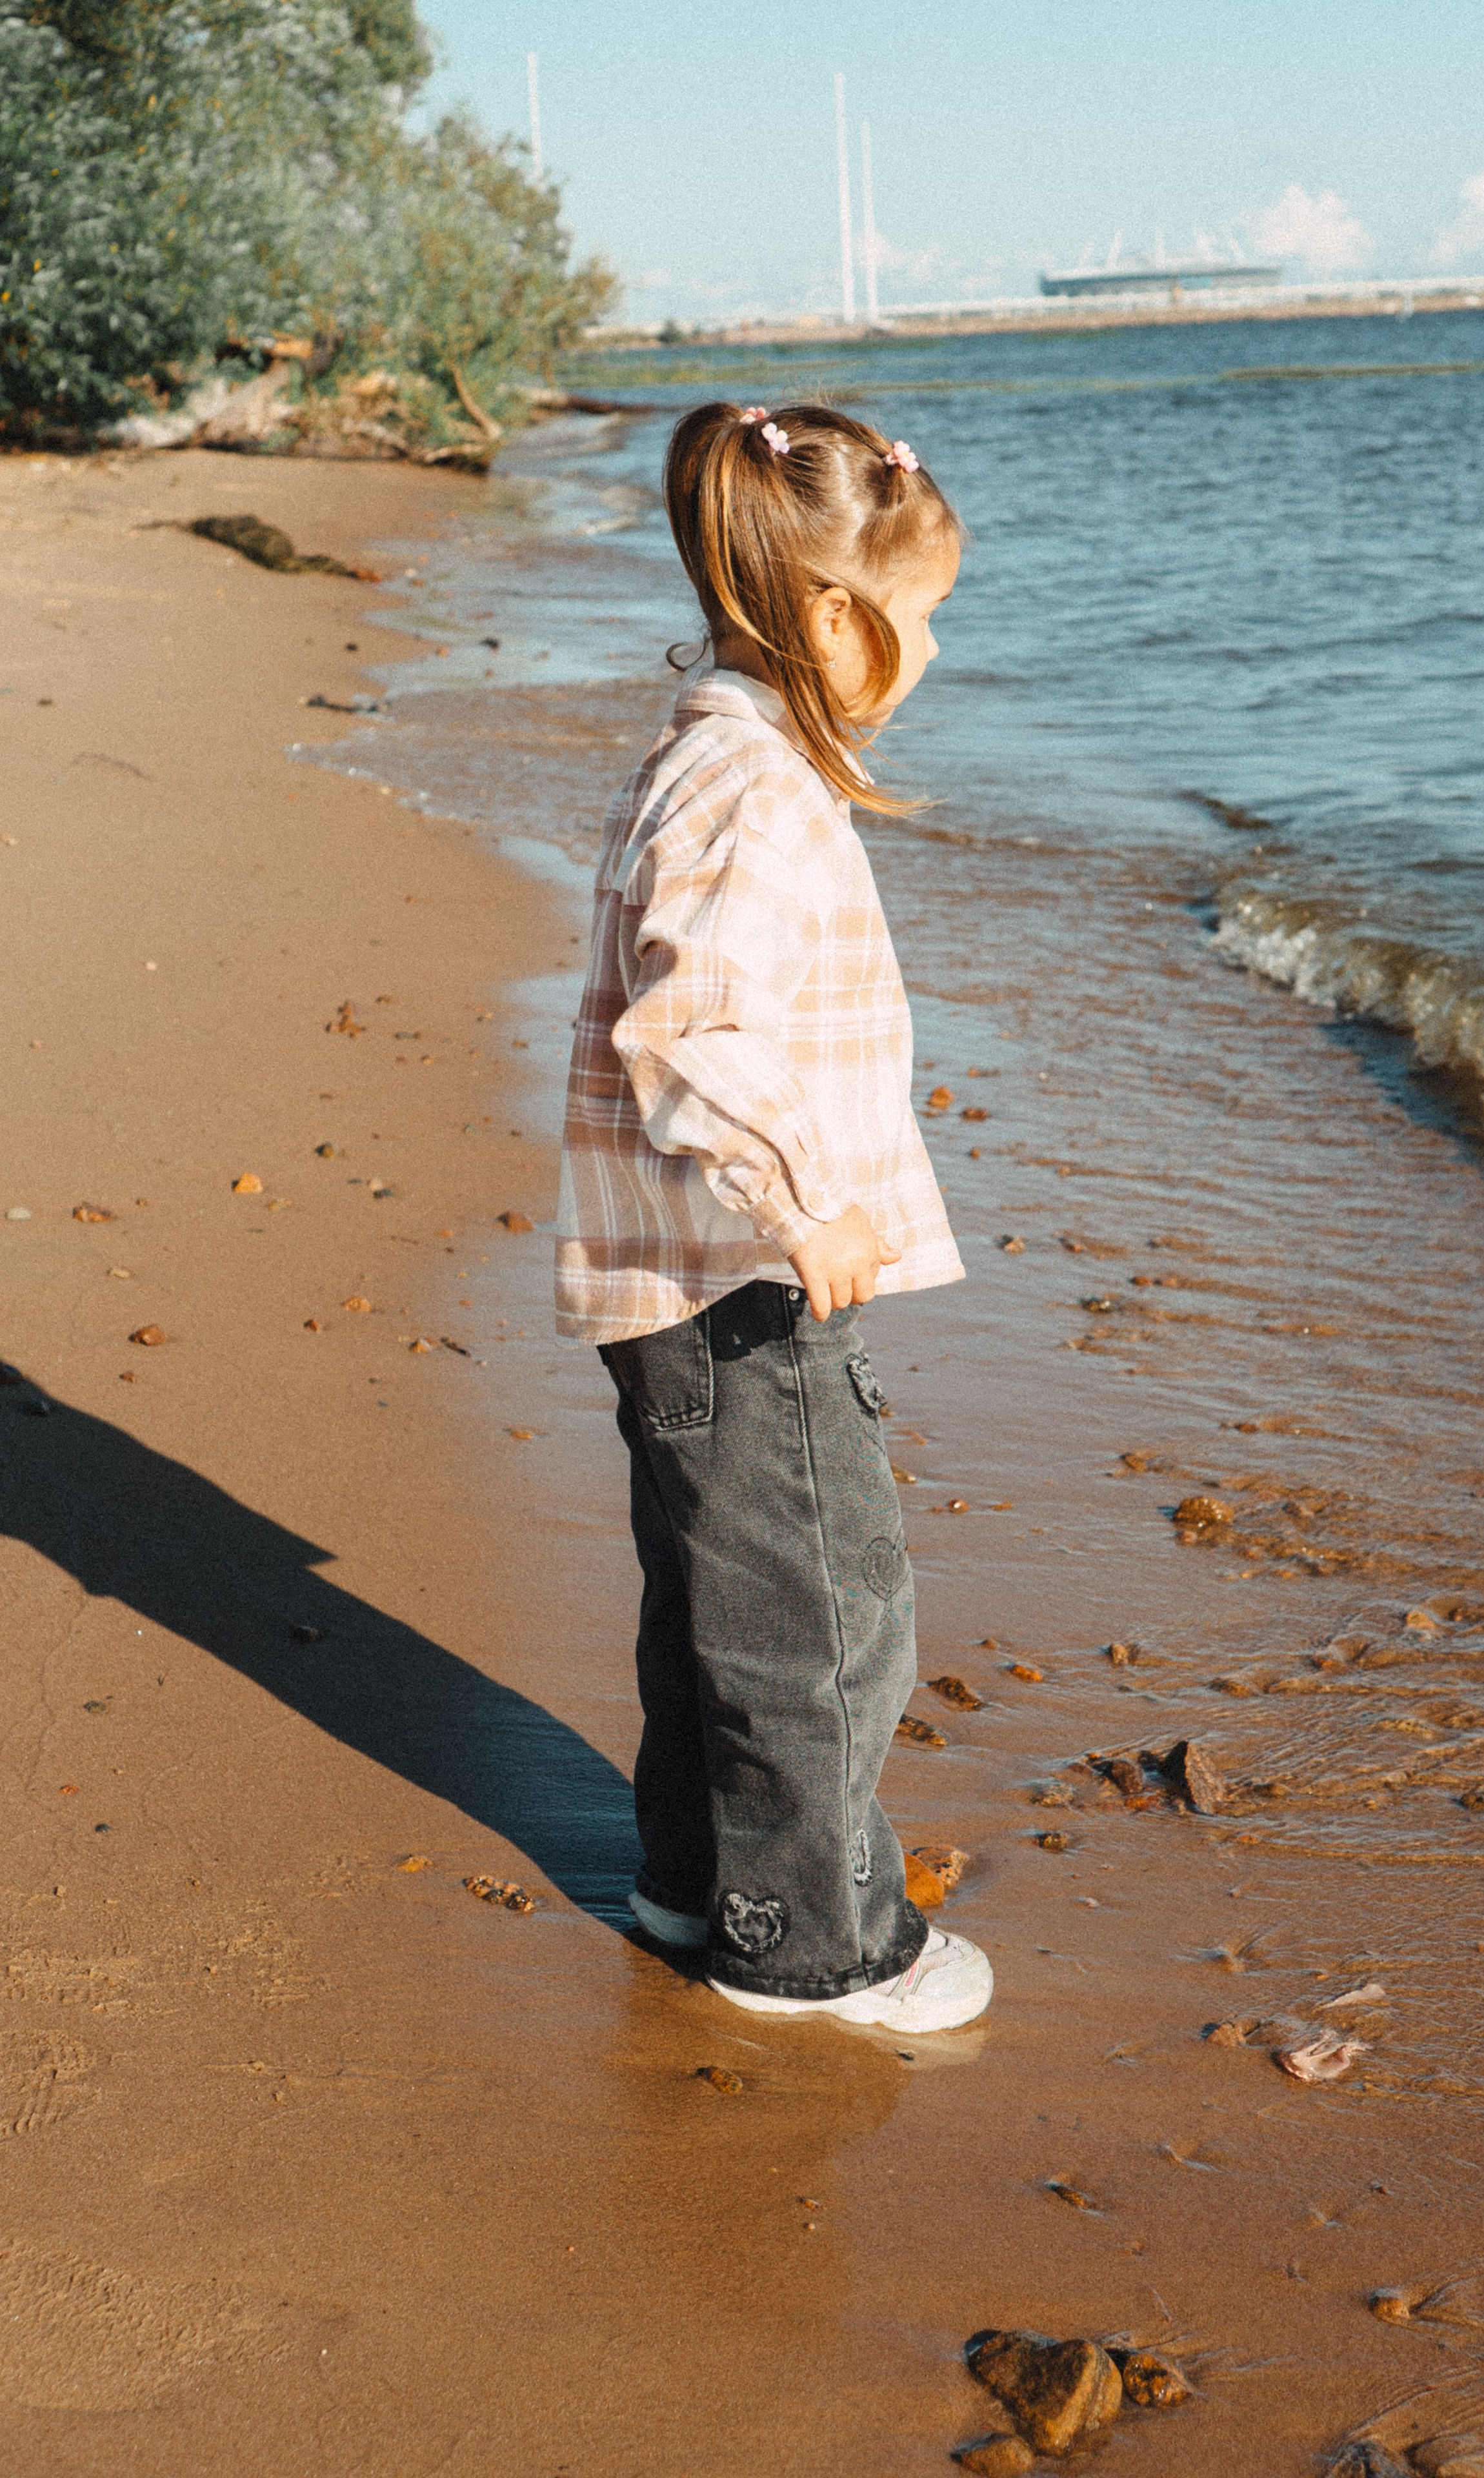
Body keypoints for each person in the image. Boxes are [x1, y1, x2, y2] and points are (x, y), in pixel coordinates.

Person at [555, 402, 991, 2035]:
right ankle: (814, 1947)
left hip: (685, 1269)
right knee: (821, 1606)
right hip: (737, 1275)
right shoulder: (746, 789)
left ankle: (694, 1881)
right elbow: (688, 1028)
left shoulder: (723, 754)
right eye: (922, 617)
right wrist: (800, 1200)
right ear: (828, 618)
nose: (930, 652)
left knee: (718, 1594)